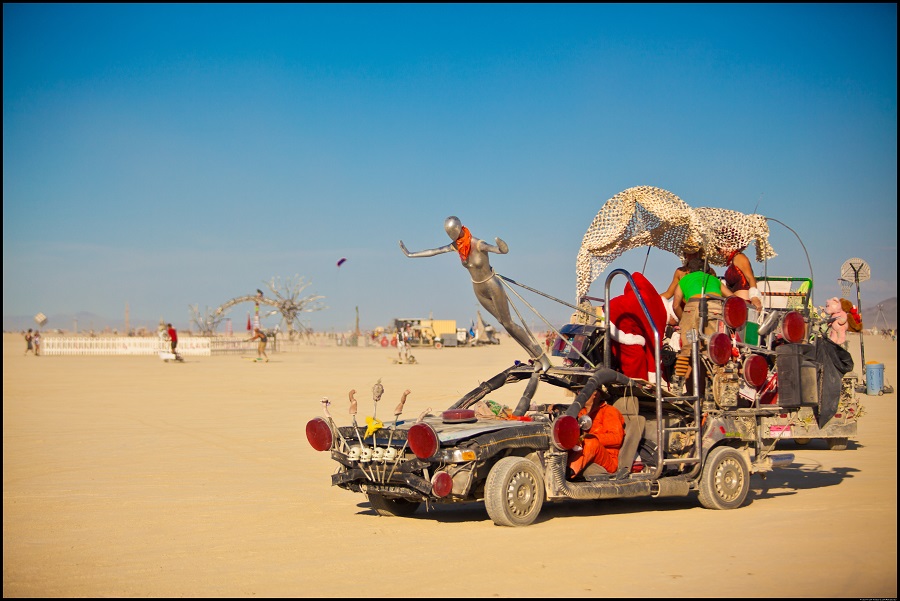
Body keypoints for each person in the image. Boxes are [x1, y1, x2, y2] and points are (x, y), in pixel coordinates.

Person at [400, 216, 551, 371]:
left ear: (459, 228)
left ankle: (542, 357)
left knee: (508, 323)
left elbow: (499, 250)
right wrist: (411, 254)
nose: (451, 236)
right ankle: (535, 359)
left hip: (492, 285)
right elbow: (435, 251)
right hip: (478, 289)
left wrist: (502, 247)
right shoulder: (457, 246)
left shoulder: (478, 244)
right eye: (448, 233)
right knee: (503, 324)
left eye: (452, 232)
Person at [671, 258, 735, 391]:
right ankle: (714, 386)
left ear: (688, 271)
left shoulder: (684, 279)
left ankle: (678, 382)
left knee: (687, 347)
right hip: (714, 308)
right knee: (712, 348)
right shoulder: (714, 280)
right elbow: (732, 297)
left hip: (692, 309)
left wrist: (684, 320)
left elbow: (676, 305)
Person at [567, 390, 625, 479]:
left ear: (595, 395)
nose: (579, 394)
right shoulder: (581, 412)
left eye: (582, 391)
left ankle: (568, 473)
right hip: (583, 451)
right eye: (578, 391)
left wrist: (590, 437)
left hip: (608, 459)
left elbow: (616, 438)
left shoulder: (609, 411)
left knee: (591, 442)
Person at [660, 242, 704, 325]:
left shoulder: (708, 272)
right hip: (683, 311)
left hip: (703, 309)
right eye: (689, 253)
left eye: (694, 253)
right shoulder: (680, 272)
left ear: (699, 254)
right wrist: (650, 299)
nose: (691, 256)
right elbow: (669, 293)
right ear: (685, 254)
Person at [721, 245, 763, 312]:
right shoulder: (733, 261)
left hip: (744, 303)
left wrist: (754, 297)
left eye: (719, 248)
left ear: (729, 245)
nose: (719, 252)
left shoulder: (739, 257)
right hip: (736, 303)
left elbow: (750, 278)